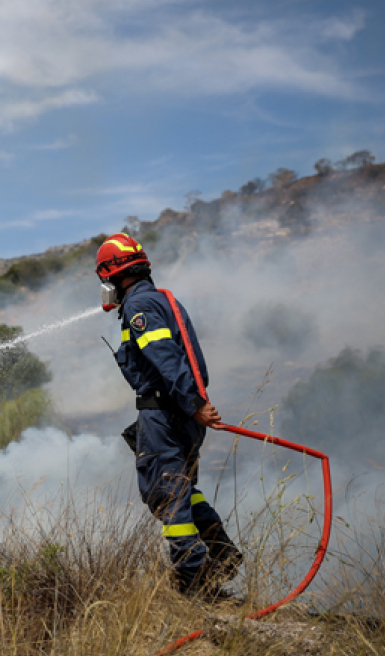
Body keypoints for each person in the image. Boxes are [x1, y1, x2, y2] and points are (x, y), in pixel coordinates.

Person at [95, 233, 242, 597]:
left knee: (166, 494)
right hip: (181, 415)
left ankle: (192, 582)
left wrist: (193, 404)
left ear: (113, 274)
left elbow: (165, 356)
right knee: (184, 491)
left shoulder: (139, 307)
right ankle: (222, 554)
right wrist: (193, 407)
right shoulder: (158, 299)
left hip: (166, 413)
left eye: (105, 278)